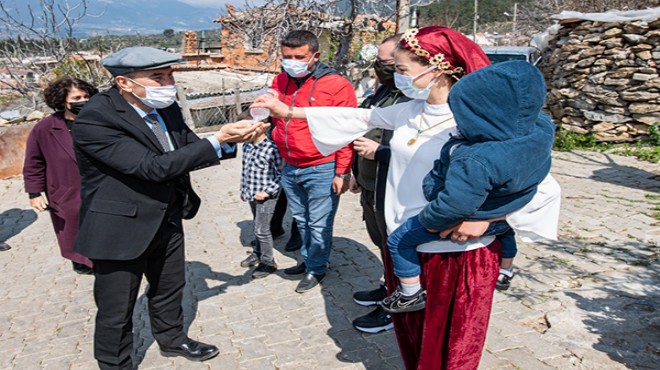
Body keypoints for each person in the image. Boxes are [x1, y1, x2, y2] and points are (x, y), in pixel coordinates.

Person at [253, 26, 561, 369]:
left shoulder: (480, 119)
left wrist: (488, 219)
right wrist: (289, 113)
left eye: (401, 70)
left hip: (456, 254)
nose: (394, 77)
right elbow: (359, 116)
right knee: (413, 341)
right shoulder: (410, 110)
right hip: (405, 249)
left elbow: (539, 183)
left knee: (452, 349)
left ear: (437, 67)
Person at [72, 46, 266, 370]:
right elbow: (152, 167)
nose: (168, 83)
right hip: (120, 228)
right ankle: (115, 364)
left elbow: (189, 145)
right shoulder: (96, 118)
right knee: (116, 309)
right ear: (123, 83)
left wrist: (233, 138)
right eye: (158, 76)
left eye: (170, 74)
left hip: (167, 216)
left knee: (169, 287)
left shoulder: (165, 105)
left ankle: (172, 339)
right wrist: (216, 139)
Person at [381, 61, 556, 314]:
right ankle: (506, 271)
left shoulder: (475, 160)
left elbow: (456, 204)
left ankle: (409, 293)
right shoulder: (540, 132)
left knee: (399, 240)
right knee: (507, 233)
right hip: (504, 212)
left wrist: (430, 220)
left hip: (466, 220)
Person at [270, 30, 357, 293]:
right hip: (290, 166)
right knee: (301, 219)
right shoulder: (279, 81)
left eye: (299, 56)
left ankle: (316, 268)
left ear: (315, 56)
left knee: (319, 222)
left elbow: (346, 131)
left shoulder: (336, 85)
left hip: (322, 167)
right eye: (287, 56)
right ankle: (310, 259)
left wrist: (342, 171)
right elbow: (274, 119)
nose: (292, 61)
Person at [350, 34, 410, 334]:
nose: (382, 68)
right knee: (382, 244)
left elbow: (415, 151)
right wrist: (357, 173)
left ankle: (395, 306)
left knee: (394, 246)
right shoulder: (384, 92)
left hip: (393, 188)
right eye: (381, 62)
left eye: (389, 63)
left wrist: (380, 153)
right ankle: (388, 285)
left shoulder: (412, 98)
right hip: (372, 184)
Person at [23, 76, 98, 275]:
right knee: (72, 227)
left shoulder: (99, 121)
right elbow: (33, 162)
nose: (82, 101)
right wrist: (34, 193)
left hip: (99, 186)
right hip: (66, 188)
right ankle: (79, 259)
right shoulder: (45, 129)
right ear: (63, 101)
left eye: (86, 96)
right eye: (76, 98)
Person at [239, 121, 283, 280]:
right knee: (257, 222)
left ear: (262, 127)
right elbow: (245, 170)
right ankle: (258, 252)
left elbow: (281, 174)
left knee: (261, 229)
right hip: (252, 193)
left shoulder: (272, 148)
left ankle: (268, 262)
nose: (243, 132)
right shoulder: (246, 146)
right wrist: (243, 190)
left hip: (267, 196)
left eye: (246, 128)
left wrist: (267, 191)